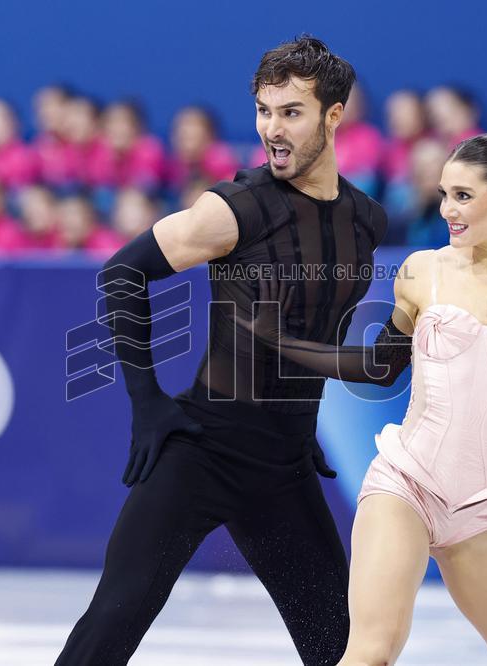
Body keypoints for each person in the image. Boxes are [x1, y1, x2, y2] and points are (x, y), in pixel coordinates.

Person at [55, 36, 388, 666]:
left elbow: (318, 323)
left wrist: (300, 413)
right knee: (110, 628)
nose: (271, 128)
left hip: (285, 468)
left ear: (334, 115)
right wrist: (147, 401)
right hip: (204, 452)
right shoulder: (237, 207)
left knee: (344, 649)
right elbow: (122, 273)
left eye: (291, 111)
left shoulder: (366, 220)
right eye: (264, 111)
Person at [239, 132, 487, 665]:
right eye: (444, 194)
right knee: (370, 653)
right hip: (404, 484)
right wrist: (282, 345)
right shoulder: (424, 270)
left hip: (484, 509)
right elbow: (380, 368)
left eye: (463, 196)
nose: (446, 209)